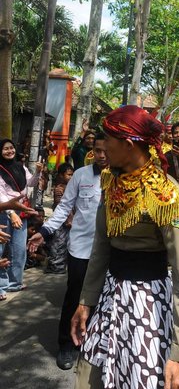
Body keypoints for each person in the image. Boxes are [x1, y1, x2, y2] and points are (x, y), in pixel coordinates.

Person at [70, 105, 179, 389]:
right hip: (108, 297)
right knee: (89, 378)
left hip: (147, 307)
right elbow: (101, 246)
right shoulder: (111, 181)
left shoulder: (167, 196)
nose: (101, 149)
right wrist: (85, 302)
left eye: (108, 141)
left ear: (128, 145)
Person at [28, 135, 108, 370]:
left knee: (105, 299)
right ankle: (66, 345)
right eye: (98, 150)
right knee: (75, 297)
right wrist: (44, 230)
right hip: (81, 250)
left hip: (110, 252)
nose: (102, 155)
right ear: (92, 150)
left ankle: (94, 342)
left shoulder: (122, 175)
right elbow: (64, 207)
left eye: (107, 150)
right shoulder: (81, 175)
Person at [0, 139, 42, 295]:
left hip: (21, 210)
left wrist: (38, 172)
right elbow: (1, 194)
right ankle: (1, 286)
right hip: (5, 212)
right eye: (5, 149)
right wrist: (11, 213)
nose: (9, 151)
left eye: (11, 148)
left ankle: (15, 282)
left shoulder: (20, 167)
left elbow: (30, 183)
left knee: (18, 249)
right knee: (3, 250)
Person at [44, 162, 75, 274]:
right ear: (61, 175)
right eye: (68, 175)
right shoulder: (59, 188)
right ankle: (55, 266)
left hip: (70, 219)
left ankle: (60, 265)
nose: (71, 177)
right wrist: (68, 219)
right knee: (59, 243)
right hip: (62, 220)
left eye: (72, 174)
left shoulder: (71, 187)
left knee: (66, 242)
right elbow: (59, 205)